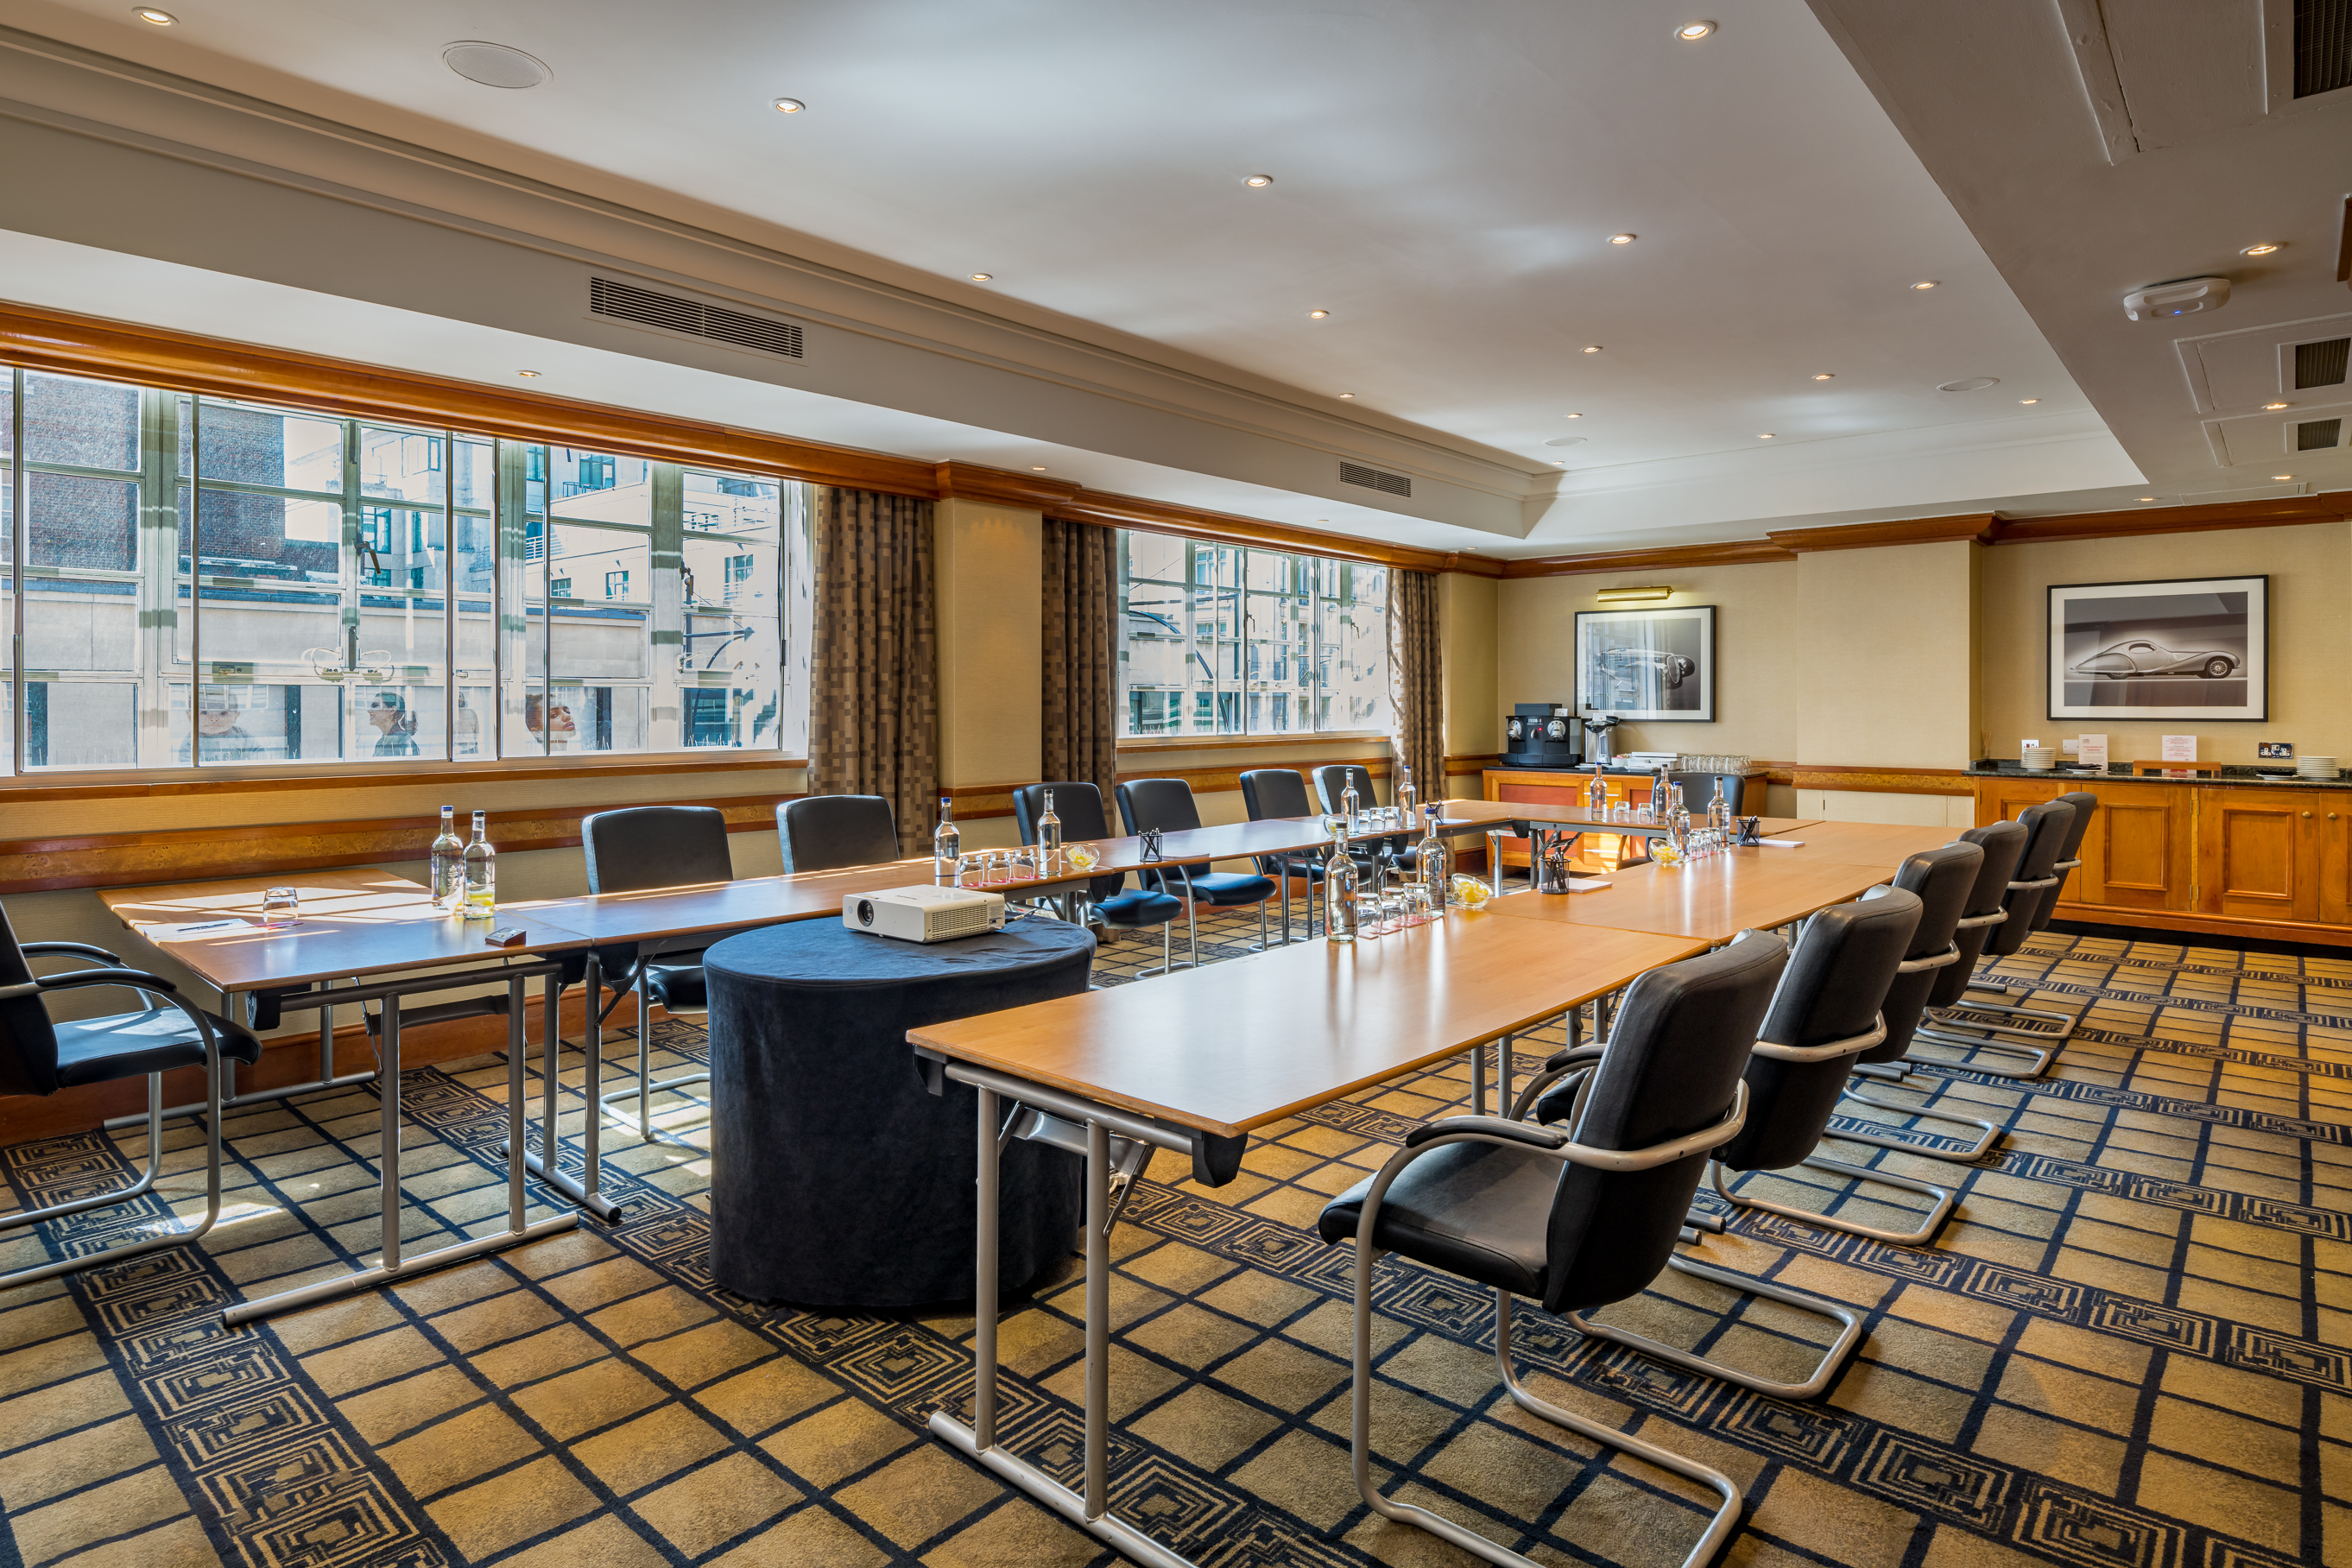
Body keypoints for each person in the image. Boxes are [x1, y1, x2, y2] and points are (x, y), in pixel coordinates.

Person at [367, 690, 420, 756]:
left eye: (375, 706)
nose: (369, 711)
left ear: (392, 710)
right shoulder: (381, 742)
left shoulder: (403, 741)